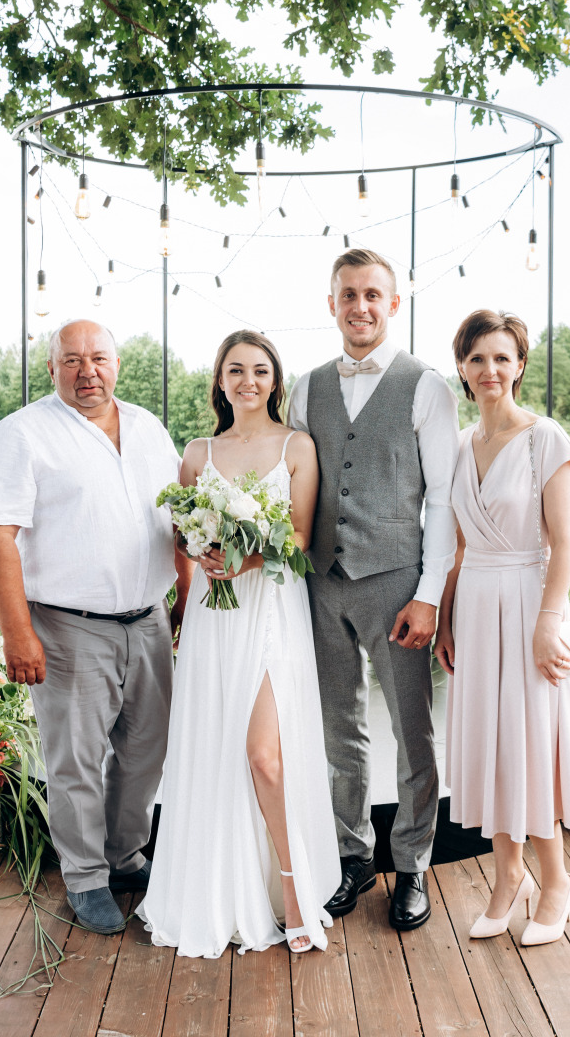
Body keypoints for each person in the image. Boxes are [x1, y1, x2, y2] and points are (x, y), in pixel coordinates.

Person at [0, 319, 190, 935]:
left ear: (117, 363)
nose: (87, 370)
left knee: (146, 752)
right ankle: (86, 877)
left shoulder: (147, 428)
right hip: (67, 627)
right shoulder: (21, 435)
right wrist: (18, 635)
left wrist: (185, 597)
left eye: (98, 358)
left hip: (147, 621)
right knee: (76, 762)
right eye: (72, 360)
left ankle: (123, 855)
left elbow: (179, 518)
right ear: (51, 369)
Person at [137, 331, 340, 957]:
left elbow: (301, 540)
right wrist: (198, 560)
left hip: (272, 610)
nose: (247, 380)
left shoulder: (297, 447)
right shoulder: (199, 453)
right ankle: (220, 888)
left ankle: (293, 890)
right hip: (211, 616)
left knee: (264, 756)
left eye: (258, 370)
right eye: (234, 370)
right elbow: (182, 538)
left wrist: (247, 561)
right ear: (220, 382)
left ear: (275, 380)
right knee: (215, 750)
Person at [287, 248, 460, 931]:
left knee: (412, 731)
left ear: (392, 304)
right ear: (330, 304)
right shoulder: (304, 389)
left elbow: (443, 499)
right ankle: (351, 854)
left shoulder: (426, 386)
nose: (359, 306)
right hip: (320, 583)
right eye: (347, 294)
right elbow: (293, 483)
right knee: (339, 731)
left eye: (372, 295)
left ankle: (412, 863)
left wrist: (429, 595)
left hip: (395, 583)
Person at [434, 309, 570, 947]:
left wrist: (548, 623)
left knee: (530, 744)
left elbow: (567, 543)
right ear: (462, 369)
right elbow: (459, 544)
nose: (489, 370)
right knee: (490, 746)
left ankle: (555, 882)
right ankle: (507, 877)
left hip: (528, 603)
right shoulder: (461, 446)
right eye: (477, 359)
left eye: (502, 358)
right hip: (474, 603)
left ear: (519, 365)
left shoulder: (544, 438)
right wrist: (444, 615)